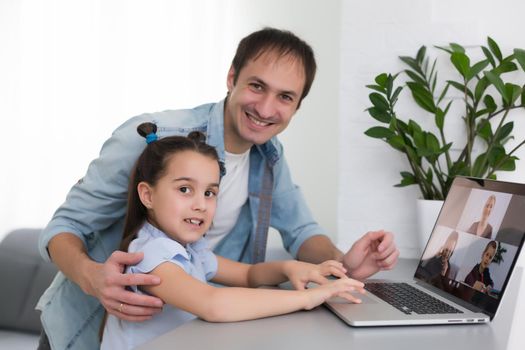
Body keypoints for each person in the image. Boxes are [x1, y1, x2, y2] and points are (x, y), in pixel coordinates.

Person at [37, 27, 399, 350]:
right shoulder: (153, 141)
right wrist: (92, 278)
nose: (266, 108)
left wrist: (341, 265)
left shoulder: (269, 156)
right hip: (82, 331)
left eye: (285, 97)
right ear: (232, 78)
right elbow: (65, 227)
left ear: (297, 106)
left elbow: (299, 234)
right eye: (257, 86)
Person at [99, 125, 365, 349]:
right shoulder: (153, 253)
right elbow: (212, 304)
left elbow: (249, 275)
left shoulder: (191, 248)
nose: (201, 204)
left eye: (210, 192)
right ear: (147, 195)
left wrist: (290, 267)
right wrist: (309, 298)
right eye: (184, 189)